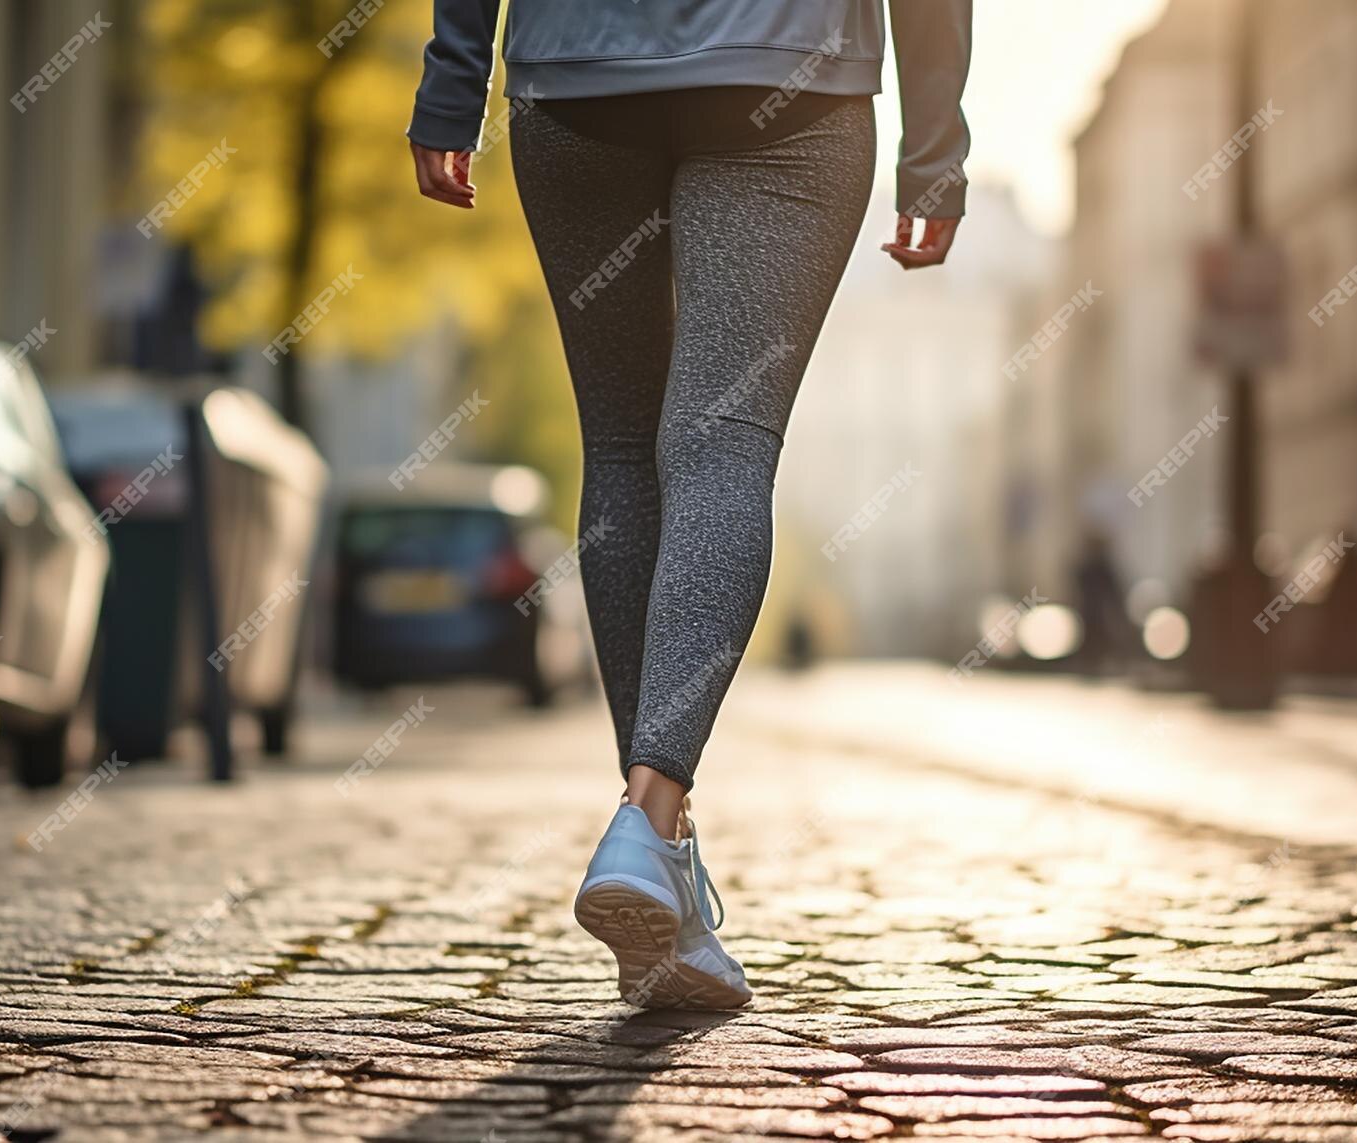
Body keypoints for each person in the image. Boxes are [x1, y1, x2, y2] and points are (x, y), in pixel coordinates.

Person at [408, 0, 972, 1009]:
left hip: (573, 74)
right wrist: (933, 149)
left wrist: (452, 81)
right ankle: (651, 818)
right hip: (784, 74)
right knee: (719, 445)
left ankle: (660, 863)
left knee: (621, 447)